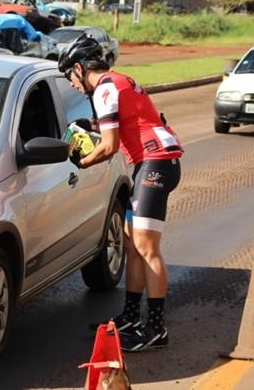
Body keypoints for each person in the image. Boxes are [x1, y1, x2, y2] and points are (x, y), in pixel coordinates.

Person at [60, 35, 183, 352]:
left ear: (79, 68)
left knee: (147, 248)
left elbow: (109, 146)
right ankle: (130, 316)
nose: (71, 84)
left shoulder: (104, 89)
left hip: (156, 163)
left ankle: (157, 329)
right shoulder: (116, 81)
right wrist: (90, 124)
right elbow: (124, 122)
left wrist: (81, 162)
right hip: (154, 162)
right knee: (131, 244)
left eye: (69, 75)